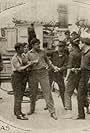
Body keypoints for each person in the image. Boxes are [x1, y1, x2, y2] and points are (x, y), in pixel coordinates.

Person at [26, 38, 58, 120]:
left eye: (39, 44)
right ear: (32, 45)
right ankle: (32, 109)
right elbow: (25, 64)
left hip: (43, 73)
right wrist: (31, 63)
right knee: (33, 93)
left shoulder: (42, 52)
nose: (39, 46)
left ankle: (52, 112)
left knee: (47, 92)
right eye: (37, 44)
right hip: (33, 74)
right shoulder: (28, 54)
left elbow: (48, 61)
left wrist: (53, 67)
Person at [11, 43, 37, 120]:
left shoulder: (22, 56)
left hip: (22, 77)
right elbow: (19, 69)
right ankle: (18, 114)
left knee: (21, 95)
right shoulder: (14, 58)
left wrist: (32, 62)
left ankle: (17, 111)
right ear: (18, 49)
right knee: (18, 96)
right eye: (22, 47)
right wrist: (29, 65)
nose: (24, 49)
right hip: (16, 77)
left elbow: (26, 62)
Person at [64, 37, 81, 119]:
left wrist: (66, 78)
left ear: (73, 46)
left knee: (67, 93)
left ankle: (69, 112)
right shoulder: (81, 52)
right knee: (81, 93)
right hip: (80, 75)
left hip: (73, 75)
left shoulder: (72, 54)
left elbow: (69, 67)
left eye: (69, 45)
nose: (68, 47)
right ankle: (87, 108)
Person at [49, 40, 68, 108]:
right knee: (48, 89)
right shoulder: (54, 53)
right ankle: (48, 104)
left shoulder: (65, 56)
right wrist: (52, 66)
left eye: (62, 47)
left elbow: (66, 65)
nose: (60, 48)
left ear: (64, 47)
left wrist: (60, 69)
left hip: (59, 74)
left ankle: (65, 104)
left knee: (62, 89)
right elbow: (48, 59)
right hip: (51, 73)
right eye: (59, 46)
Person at [77, 38, 90, 119]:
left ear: (84, 44)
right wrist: (78, 69)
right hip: (83, 75)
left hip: (89, 75)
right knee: (80, 95)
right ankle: (81, 115)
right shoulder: (83, 53)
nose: (79, 45)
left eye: (80, 43)